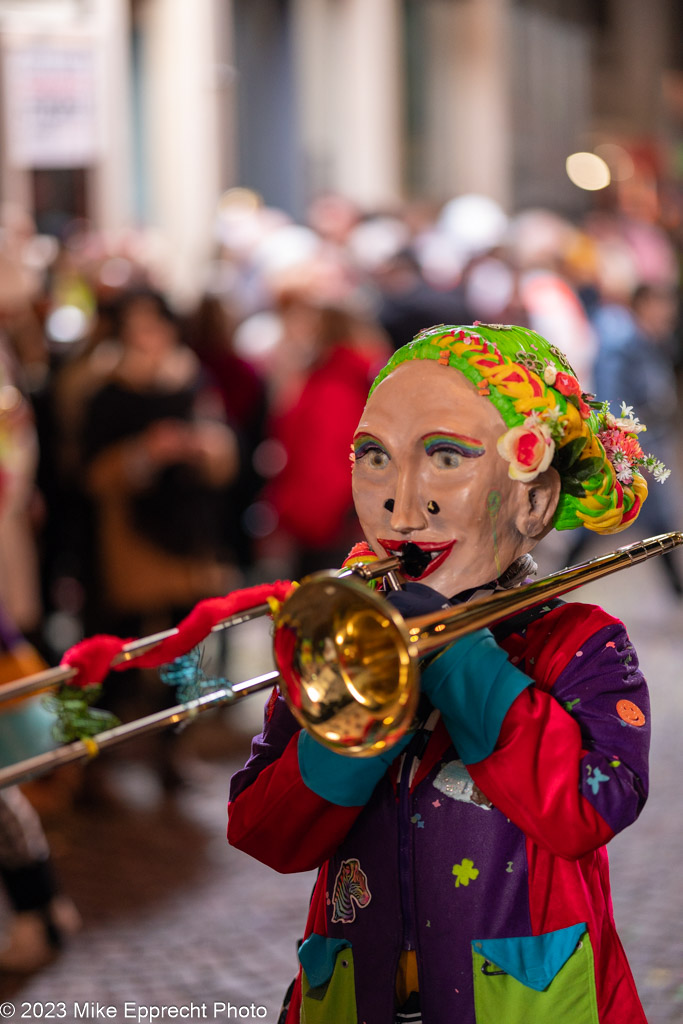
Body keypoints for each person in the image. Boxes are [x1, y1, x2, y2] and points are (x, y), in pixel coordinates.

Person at [227, 323, 662, 1024]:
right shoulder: (346, 636)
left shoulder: (581, 645)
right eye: (373, 455)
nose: (401, 503)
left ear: (535, 499)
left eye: (445, 457)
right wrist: (357, 714)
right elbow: (264, 832)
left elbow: (588, 809)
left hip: (526, 999)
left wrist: (456, 653)